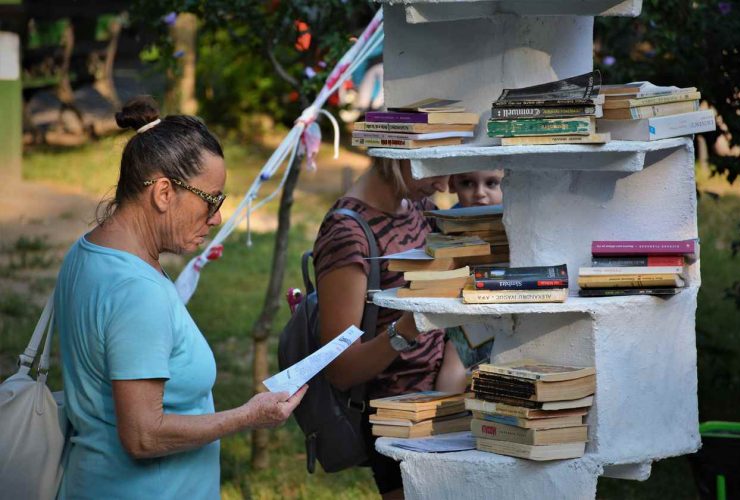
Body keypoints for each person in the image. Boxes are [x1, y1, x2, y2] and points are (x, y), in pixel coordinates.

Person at [55, 95, 306, 500]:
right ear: (163, 193)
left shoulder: (86, 252)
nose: (217, 217)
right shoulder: (137, 291)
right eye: (212, 199)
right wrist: (247, 416)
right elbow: (143, 435)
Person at [314, 157, 462, 499]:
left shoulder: (419, 207)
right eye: (435, 169)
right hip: (396, 421)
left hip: (444, 405)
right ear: (400, 153)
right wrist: (409, 325)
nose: (444, 186)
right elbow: (340, 370)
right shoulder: (346, 234)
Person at [437, 168, 505, 391]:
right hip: (467, 309)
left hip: (511, 305)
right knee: (456, 354)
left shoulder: (517, 219)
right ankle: (446, 411)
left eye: (492, 183)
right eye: (467, 183)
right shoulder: (449, 225)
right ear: (452, 184)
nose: (479, 193)